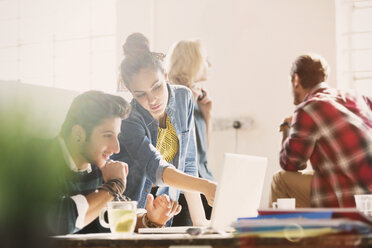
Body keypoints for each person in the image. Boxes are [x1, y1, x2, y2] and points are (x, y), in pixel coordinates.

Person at [113, 33, 217, 226]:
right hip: (133, 210)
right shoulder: (129, 119)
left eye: (157, 87)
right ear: (130, 91)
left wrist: (201, 223)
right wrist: (207, 186)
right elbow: (155, 168)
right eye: (140, 94)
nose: (152, 100)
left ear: (166, 76)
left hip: (163, 208)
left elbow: (190, 164)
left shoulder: (183, 98)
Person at [45, 90, 181, 235]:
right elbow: (59, 221)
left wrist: (151, 220)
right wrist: (113, 186)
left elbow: (113, 219)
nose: (116, 148)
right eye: (107, 135)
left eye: (117, 136)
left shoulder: (99, 167)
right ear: (78, 134)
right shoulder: (40, 159)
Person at [270, 54, 372, 208]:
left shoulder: (309, 108)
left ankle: (277, 231)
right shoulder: (359, 97)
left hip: (352, 199)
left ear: (296, 80)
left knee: (281, 179)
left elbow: (291, 163)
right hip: (367, 196)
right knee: (319, 174)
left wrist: (286, 128)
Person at [165, 39, 214, 224]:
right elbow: (178, 153)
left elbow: (202, 153)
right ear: (192, 61)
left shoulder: (199, 97)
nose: (209, 64)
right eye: (206, 59)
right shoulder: (173, 96)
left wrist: (207, 116)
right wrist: (188, 104)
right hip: (185, 188)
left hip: (205, 181)